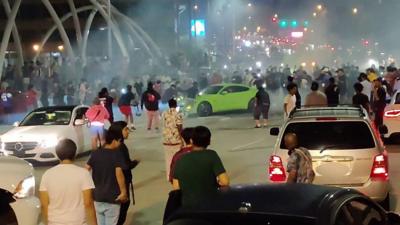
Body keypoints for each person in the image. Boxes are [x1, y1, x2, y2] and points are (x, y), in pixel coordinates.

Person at [39, 139, 97, 225]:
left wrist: (47, 222)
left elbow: (44, 204)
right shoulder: (83, 174)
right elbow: (88, 203)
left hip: (55, 222)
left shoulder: (47, 174)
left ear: (57, 154)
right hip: (78, 222)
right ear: (75, 154)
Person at [172, 126, 229, 207]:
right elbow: (225, 182)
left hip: (188, 206)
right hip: (210, 204)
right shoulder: (211, 155)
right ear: (209, 142)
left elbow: (176, 188)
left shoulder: (181, 159)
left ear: (191, 141)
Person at [86, 128, 129, 225]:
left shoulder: (95, 153)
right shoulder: (117, 154)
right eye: (119, 141)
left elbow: (86, 169)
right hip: (112, 197)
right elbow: (119, 174)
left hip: (97, 196)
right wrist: (123, 192)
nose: (119, 144)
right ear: (114, 140)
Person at [109, 121, 140, 225]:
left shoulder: (110, 145)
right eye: (126, 129)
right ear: (119, 131)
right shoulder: (120, 147)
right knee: (121, 210)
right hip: (121, 183)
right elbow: (125, 166)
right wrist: (135, 162)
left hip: (112, 184)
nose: (128, 132)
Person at [162, 98, 183, 180]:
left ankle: (169, 176)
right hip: (176, 140)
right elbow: (179, 126)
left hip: (166, 140)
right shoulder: (178, 114)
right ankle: (177, 176)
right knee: (177, 159)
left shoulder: (164, 113)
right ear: (176, 104)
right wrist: (182, 138)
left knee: (168, 159)